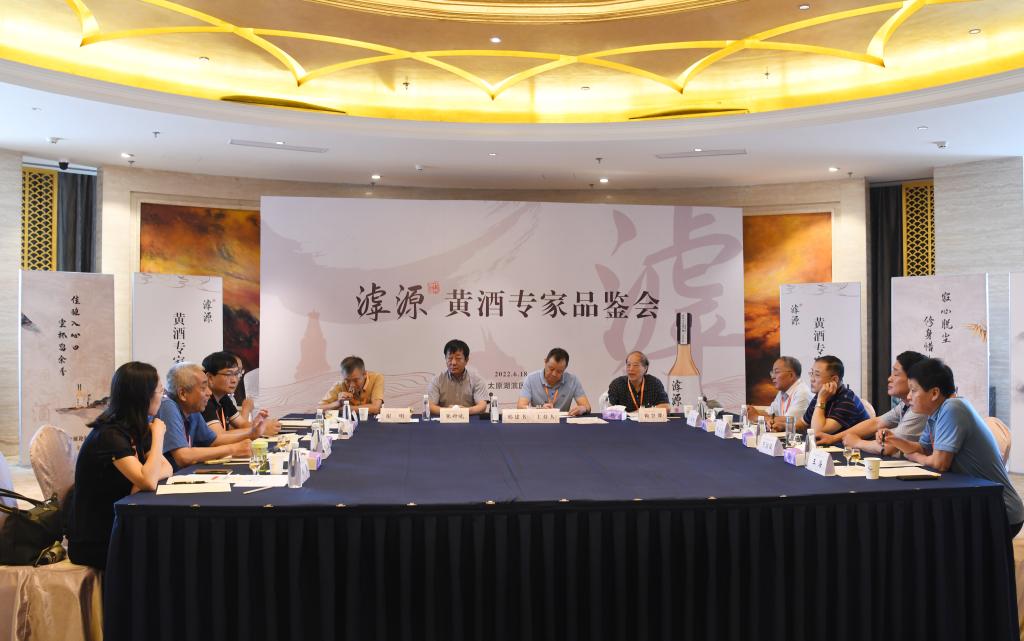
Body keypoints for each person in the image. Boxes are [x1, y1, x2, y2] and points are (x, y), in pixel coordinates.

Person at [880, 358, 1024, 538]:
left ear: (934, 393)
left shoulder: (953, 407)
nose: (908, 397)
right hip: (976, 504)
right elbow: (924, 449)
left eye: (914, 390)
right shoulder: (935, 413)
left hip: (999, 509)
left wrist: (913, 457)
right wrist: (894, 440)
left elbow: (939, 463)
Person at [68, 362, 173, 570]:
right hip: (97, 538)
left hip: (122, 522)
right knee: (167, 549)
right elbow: (149, 480)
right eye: (160, 391)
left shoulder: (135, 427)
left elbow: (167, 467)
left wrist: (140, 482)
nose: (162, 397)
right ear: (143, 396)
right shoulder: (110, 434)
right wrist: (158, 436)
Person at [158, 362, 257, 470]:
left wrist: (251, 433)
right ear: (182, 393)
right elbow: (183, 456)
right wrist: (233, 449)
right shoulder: (167, 406)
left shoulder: (192, 409)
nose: (209, 393)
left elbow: (213, 441)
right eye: (203, 388)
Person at [828, 351, 928, 451]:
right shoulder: (904, 404)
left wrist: (857, 443)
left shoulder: (920, 408)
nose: (889, 379)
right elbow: (877, 422)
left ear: (912, 379)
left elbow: (890, 447)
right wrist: (833, 438)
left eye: (896, 374)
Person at [201, 351, 278, 435]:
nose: (234, 380)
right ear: (210, 377)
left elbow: (242, 424)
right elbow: (219, 436)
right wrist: (258, 430)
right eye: (229, 374)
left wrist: (259, 425)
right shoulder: (205, 400)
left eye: (237, 374)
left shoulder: (223, 398)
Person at [795, 354, 869, 435]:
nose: (812, 379)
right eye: (812, 373)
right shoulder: (821, 394)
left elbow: (818, 432)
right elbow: (803, 423)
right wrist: (786, 425)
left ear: (834, 379)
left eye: (817, 375)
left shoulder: (847, 401)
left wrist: (821, 400)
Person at [517, 347, 591, 416]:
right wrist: (538, 410)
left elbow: (587, 407)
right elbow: (520, 406)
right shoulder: (531, 379)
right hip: (539, 421)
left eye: (559, 371)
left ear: (565, 369)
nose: (554, 374)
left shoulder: (572, 380)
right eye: (551, 369)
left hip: (563, 422)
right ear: (545, 362)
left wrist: (582, 409)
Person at [427, 339, 488, 415]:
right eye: (450, 358)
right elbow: (430, 406)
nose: (453, 363)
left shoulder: (476, 380)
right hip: (444, 420)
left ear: (466, 360)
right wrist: (448, 411)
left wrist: (465, 411)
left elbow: (482, 406)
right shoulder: (437, 380)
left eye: (458, 359)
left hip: (470, 420)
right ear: (445, 359)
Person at [748, 356, 811, 430]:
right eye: (772, 372)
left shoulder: (802, 392)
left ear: (791, 375)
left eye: (777, 372)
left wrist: (757, 417)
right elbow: (770, 413)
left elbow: (790, 420)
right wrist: (752, 411)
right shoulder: (783, 391)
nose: (772, 377)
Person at [319, 355, 385, 415]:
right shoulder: (340, 385)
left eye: (356, 380)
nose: (352, 385)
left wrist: (344, 409)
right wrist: (339, 403)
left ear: (365, 374)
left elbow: (376, 408)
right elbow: (319, 409)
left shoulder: (377, 378)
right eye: (347, 380)